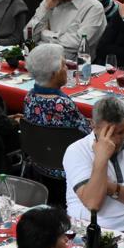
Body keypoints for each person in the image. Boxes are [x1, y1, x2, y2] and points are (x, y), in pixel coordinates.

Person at [64, 97, 124, 231]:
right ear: (93, 126)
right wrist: (101, 158)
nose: (117, 139)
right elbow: (93, 204)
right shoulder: (76, 150)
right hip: (86, 231)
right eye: (110, 133)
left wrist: (109, 187)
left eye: (122, 132)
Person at [22, 43, 91, 178]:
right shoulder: (62, 104)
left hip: (39, 165)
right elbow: (87, 136)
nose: (67, 69)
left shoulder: (29, 97)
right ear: (54, 73)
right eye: (64, 65)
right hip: (67, 171)